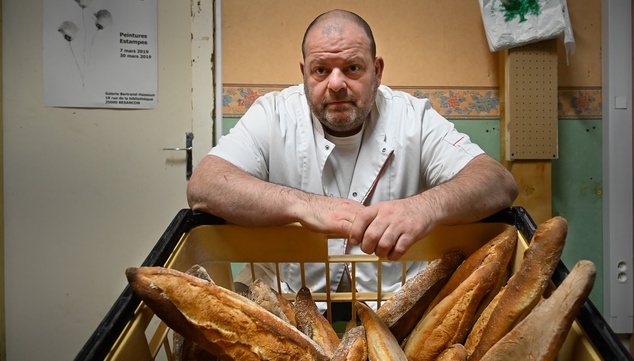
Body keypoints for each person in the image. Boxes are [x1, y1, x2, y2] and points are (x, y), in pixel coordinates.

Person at [187, 9, 518, 298]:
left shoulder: (412, 117)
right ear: (304, 72)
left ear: (377, 70)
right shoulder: (273, 114)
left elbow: (498, 182)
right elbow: (205, 184)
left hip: (397, 304)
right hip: (285, 303)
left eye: (352, 68)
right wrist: (303, 205)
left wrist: (424, 208)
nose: (336, 83)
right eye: (320, 70)